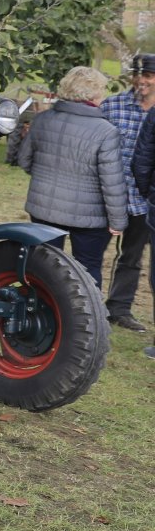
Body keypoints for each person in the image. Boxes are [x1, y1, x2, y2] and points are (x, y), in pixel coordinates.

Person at [15, 65, 127, 292]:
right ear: (94, 94)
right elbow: (111, 182)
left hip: (44, 207)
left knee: (43, 266)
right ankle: (85, 313)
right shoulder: (106, 131)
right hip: (89, 215)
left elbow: (25, 161)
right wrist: (118, 221)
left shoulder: (43, 119)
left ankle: (40, 308)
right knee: (87, 269)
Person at [101, 54, 155, 331]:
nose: (140, 81)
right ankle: (87, 305)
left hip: (144, 200)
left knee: (132, 257)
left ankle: (119, 309)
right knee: (93, 253)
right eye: (137, 74)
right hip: (108, 194)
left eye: (148, 76)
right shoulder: (112, 106)